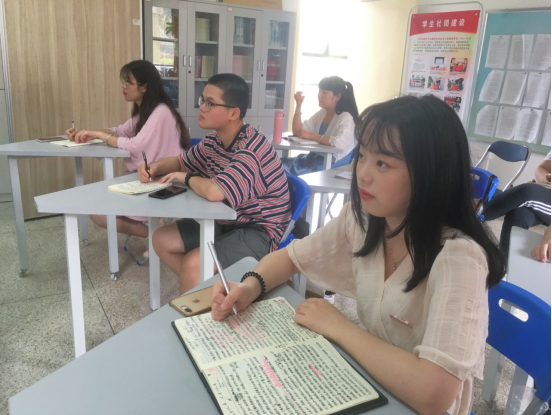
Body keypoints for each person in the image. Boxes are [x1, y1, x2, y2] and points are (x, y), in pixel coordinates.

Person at [211, 95, 506, 415]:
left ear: (430, 173)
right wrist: (250, 286)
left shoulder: (460, 259)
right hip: (372, 383)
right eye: (362, 155)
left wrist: (339, 326)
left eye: (383, 164)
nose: (362, 173)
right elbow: (291, 257)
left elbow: (433, 395)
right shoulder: (364, 220)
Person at [137, 73, 291, 294]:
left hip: (258, 231)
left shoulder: (252, 149)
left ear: (233, 113)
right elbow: (180, 162)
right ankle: (209, 293)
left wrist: (186, 177)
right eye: (202, 100)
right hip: (226, 219)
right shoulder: (214, 141)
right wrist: (153, 167)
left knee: (194, 264)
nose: (202, 107)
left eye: (210, 103)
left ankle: (202, 297)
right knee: (161, 239)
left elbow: (214, 192)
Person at [65, 60, 191, 238]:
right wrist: (88, 133)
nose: (123, 87)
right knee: (99, 212)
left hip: (164, 181)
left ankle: (156, 236)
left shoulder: (161, 111)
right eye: (123, 82)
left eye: (128, 82)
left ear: (144, 87)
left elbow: (135, 145)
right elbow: (120, 131)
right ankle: (156, 234)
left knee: (101, 214)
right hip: (148, 177)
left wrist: (101, 136)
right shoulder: (146, 111)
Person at [282, 76, 359, 175]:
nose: (319, 95)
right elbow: (298, 132)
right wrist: (298, 106)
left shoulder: (346, 117)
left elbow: (340, 143)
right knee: (276, 164)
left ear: (337, 97)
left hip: (329, 163)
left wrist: (311, 135)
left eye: (324, 92)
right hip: (313, 158)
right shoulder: (322, 113)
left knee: (284, 172)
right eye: (319, 91)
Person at [483, 152, 551, 262]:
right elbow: (541, 168)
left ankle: (474, 217)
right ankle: (505, 263)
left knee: (527, 192)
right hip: (547, 192)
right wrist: (546, 179)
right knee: (518, 214)